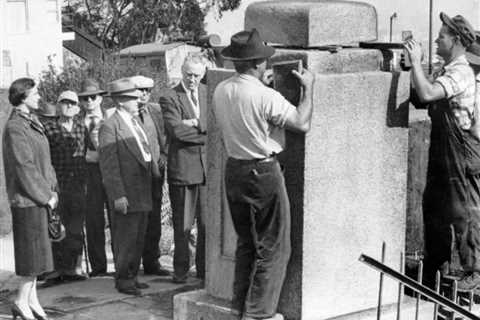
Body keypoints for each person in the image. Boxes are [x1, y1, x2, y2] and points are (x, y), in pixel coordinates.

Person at [213, 29, 314, 320]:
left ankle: (239, 306)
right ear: (258, 63)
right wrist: (309, 88)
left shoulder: (222, 90)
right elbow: (301, 122)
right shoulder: (264, 95)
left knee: (247, 243)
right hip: (262, 171)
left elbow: (245, 108)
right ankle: (259, 314)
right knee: (275, 246)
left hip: (235, 170)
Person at [405, 13, 480, 290]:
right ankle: (435, 267)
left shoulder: (460, 72)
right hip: (442, 150)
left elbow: (427, 95)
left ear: (457, 41)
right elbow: (421, 96)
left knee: (464, 212)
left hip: (460, 152)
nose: (437, 39)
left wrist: (415, 62)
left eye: (442, 36)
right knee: (434, 206)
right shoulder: (446, 71)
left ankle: (475, 273)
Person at [3, 78, 59, 320]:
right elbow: (24, 167)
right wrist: (46, 196)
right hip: (28, 201)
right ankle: (19, 301)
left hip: (40, 198)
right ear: (23, 97)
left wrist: (53, 190)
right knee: (31, 257)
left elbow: (44, 161)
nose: (39, 97)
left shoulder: (31, 122)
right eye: (35, 93)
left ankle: (31, 301)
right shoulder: (16, 127)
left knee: (39, 256)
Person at [98, 78, 153, 296]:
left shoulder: (134, 121)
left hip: (141, 189)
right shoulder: (110, 127)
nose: (139, 100)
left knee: (138, 236)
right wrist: (118, 195)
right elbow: (109, 166)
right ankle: (123, 279)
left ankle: (132, 275)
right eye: (133, 97)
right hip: (127, 192)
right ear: (121, 101)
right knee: (126, 237)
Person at [159, 53, 208, 283]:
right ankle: (180, 271)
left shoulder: (208, 93)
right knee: (183, 226)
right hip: (184, 171)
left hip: (208, 171)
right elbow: (176, 131)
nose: (192, 80)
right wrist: (207, 131)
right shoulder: (170, 96)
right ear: (182, 71)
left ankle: (204, 270)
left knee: (207, 225)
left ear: (203, 74)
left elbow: (218, 125)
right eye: (188, 74)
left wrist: (197, 124)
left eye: (197, 75)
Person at [43, 90, 88, 285]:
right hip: (57, 186)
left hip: (78, 185)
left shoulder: (81, 127)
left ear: (78, 108)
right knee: (55, 229)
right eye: (65, 103)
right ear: (58, 105)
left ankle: (73, 269)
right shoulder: (49, 129)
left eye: (72, 103)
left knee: (76, 229)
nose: (69, 106)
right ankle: (53, 272)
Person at [130, 75, 170, 276]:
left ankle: (152, 262)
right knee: (137, 219)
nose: (144, 94)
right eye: (140, 90)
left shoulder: (156, 110)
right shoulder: (124, 113)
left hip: (155, 172)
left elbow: (165, 136)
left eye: (147, 90)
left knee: (154, 218)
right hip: (135, 175)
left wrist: (164, 154)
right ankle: (131, 264)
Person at [78, 79, 111, 277]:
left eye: (93, 97)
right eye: (85, 98)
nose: (89, 101)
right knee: (93, 220)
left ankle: (123, 265)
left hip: (111, 174)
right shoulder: (76, 122)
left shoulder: (111, 117)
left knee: (117, 220)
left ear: (100, 98)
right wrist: (85, 156)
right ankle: (99, 268)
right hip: (89, 176)